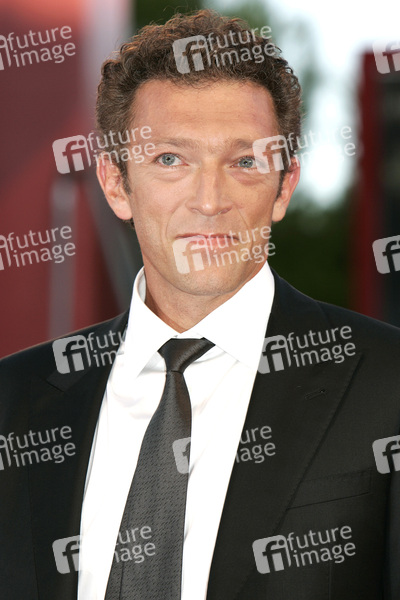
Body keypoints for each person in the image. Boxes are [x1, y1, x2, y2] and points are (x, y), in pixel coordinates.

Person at [1, 9, 400, 600]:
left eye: (244, 162)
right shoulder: (13, 401)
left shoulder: (388, 383)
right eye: (170, 160)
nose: (209, 201)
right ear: (115, 184)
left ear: (284, 187)